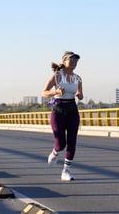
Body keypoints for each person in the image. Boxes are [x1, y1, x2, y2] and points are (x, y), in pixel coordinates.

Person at [42, 51, 83, 181]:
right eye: (71, 60)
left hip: (72, 109)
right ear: (64, 61)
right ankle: (55, 152)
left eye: (76, 61)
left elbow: (80, 93)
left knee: (72, 141)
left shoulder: (78, 78)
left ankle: (66, 171)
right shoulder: (56, 76)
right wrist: (56, 91)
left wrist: (80, 96)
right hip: (58, 109)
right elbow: (44, 93)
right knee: (60, 143)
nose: (74, 63)